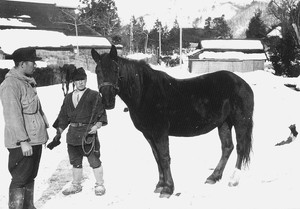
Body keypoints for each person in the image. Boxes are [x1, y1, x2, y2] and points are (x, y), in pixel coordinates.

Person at [0, 47, 49, 209]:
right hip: (23, 142)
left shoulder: (26, 81)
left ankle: (29, 207)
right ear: (22, 64)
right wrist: (23, 141)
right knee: (20, 179)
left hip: (34, 139)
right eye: (32, 62)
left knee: (30, 176)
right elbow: (12, 116)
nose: (35, 65)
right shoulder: (10, 85)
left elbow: (36, 111)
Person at [47, 67, 108, 196]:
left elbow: (101, 113)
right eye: (78, 80)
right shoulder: (68, 97)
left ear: (86, 80)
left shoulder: (94, 95)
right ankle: (76, 185)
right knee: (75, 161)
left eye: (83, 80)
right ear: (74, 82)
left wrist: (97, 126)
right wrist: (59, 131)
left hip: (88, 133)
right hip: (73, 134)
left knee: (94, 160)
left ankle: (100, 185)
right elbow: (63, 116)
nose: (81, 82)